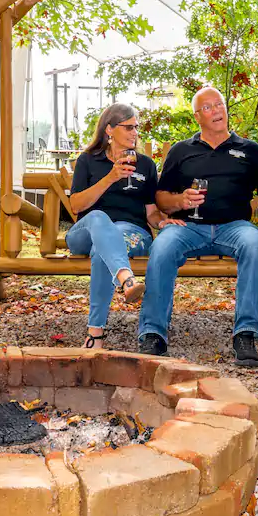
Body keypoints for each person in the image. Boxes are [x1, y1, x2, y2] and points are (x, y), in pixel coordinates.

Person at [137, 87, 258, 368]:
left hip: (234, 227)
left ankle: (246, 334)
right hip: (188, 227)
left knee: (254, 244)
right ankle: (153, 333)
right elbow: (161, 198)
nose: (216, 110)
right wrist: (180, 201)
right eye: (208, 107)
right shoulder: (181, 151)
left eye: (219, 104)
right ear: (197, 117)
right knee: (163, 246)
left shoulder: (250, 150)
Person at [67, 103, 185, 350]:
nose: (135, 133)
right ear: (109, 129)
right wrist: (111, 177)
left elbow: (151, 212)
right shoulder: (88, 160)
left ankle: (95, 333)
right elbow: (76, 206)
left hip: (131, 232)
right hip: (86, 232)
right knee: (99, 218)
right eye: (129, 127)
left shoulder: (145, 165)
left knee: (103, 249)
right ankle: (125, 276)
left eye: (136, 127)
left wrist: (162, 223)